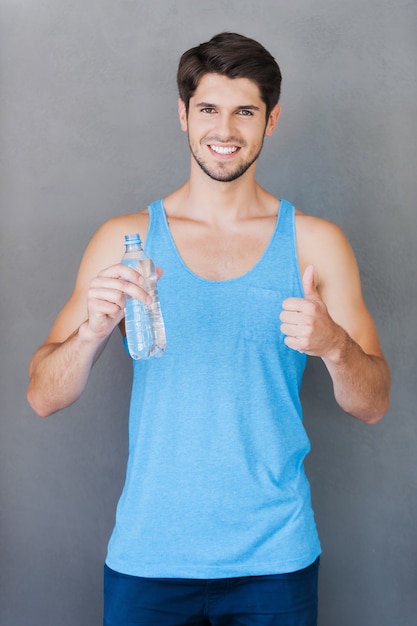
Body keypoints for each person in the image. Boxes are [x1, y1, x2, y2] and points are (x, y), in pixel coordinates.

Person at [27, 32, 390, 626]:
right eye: (209, 109)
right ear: (183, 115)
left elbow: (373, 403)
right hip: (149, 558)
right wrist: (93, 331)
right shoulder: (126, 241)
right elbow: (42, 396)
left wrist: (335, 347)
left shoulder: (316, 244)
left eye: (245, 111)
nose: (226, 129)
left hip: (274, 562)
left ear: (271, 120)